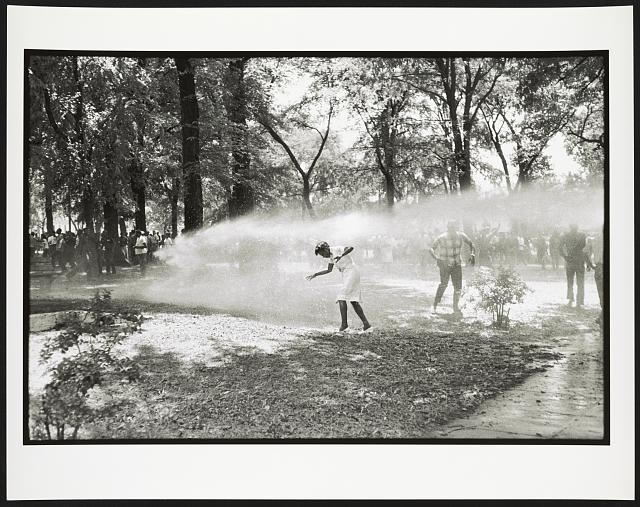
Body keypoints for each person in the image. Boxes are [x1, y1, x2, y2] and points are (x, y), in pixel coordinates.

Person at [306, 241, 371, 332]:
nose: (323, 256)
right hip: (346, 274)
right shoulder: (331, 257)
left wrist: (341, 254)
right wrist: (316, 274)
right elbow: (329, 270)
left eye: (322, 253)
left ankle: (344, 325)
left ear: (326, 249)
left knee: (341, 297)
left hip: (352, 271)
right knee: (353, 301)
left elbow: (350, 247)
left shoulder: (337, 249)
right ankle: (367, 325)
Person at [429, 220, 475, 315]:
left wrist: (472, 254)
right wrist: (437, 258)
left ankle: (455, 307)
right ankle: (434, 305)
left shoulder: (461, 236)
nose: (453, 231)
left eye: (454, 228)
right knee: (443, 285)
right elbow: (431, 249)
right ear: (448, 228)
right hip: (445, 264)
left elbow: (471, 244)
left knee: (458, 287)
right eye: (451, 228)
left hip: (457, 264)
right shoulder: (442, 237)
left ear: (456, 228)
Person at [560, 223, 587, 307]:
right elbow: (584, 248)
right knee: (579, 281)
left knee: (571, 281)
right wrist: (565, 257)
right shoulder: (582, 235)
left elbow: (559, 248)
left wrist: (565, 257)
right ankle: (579, 300)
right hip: (578, 260)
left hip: (571, 260)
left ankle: (572, 299)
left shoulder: (566, 236)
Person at [587, 226, 604, 325]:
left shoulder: (594, 240)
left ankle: (601, 317)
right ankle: (602, 317)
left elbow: (584, 252)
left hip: (599, 268)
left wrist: (590, 265)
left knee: (602, 294)